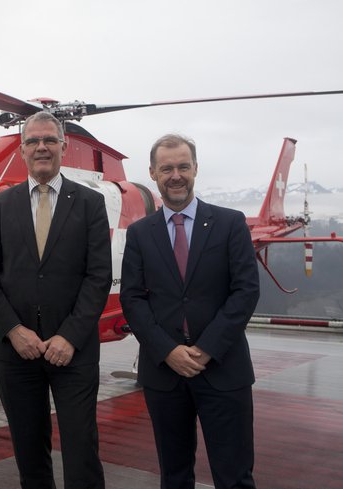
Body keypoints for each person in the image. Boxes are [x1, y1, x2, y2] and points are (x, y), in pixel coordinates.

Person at [0, 111, 113, 489]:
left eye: (50, 140)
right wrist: (13, 330)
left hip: (73, 351)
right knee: (29, 452)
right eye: (33, 141)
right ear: (21, 151)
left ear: (64, 147)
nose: (42, 147)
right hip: (16, 352)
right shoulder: (2, 205)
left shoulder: (89, 203)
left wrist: (70, 336)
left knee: (81, 449)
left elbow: (99, 276)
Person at [120, 134, 259, 489]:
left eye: (183, 166)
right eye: (166, 168)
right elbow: (133, 299)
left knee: (235, 477)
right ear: (152, 173)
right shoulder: (139, 234)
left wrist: (206, 348)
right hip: (165, 376)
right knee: (174, 476)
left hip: (224, 368)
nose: (175, 175)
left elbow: (246, 291)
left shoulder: (230, 223)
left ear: (195, 168)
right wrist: (168, 351)